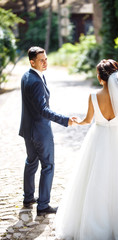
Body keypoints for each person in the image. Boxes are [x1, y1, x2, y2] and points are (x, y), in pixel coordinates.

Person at [55, 59, 118, 240]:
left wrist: (76, 121)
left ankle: (96, 226)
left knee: (95, 180)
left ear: (100, 78)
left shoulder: (94, 96)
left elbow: (88, 120)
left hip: (99, 139)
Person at [19, 46, 75, 216]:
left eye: (46, 59)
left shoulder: (26, 75)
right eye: (41, 60)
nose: (45, 62)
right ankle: (43, 205)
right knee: (48, 166)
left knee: (31, 162)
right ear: (32, 62)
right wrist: (65, 120)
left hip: (28, 130)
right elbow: (43, 110)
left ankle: (28, 198)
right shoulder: (35, 81)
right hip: (40, 131)